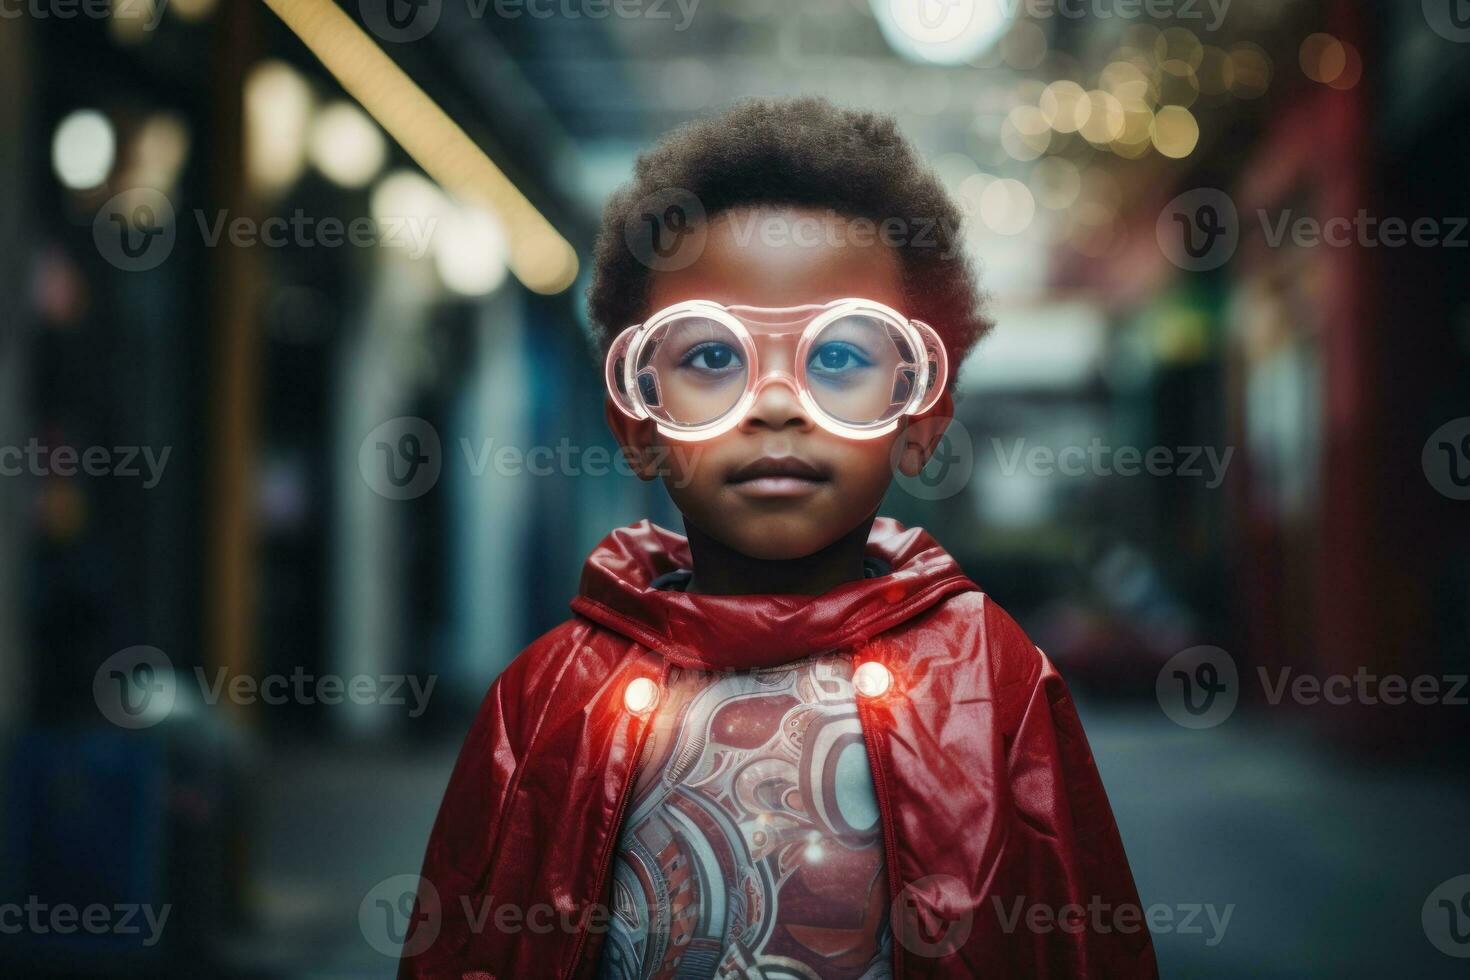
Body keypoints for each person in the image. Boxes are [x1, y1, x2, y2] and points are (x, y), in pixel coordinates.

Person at [399, 97, 1157, 979]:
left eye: (838, 357)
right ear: (638, 421)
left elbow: (1075, 944)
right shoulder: (544, 698)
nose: (774, 401)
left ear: (919, 418)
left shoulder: (995, 682)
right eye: (713, 357)